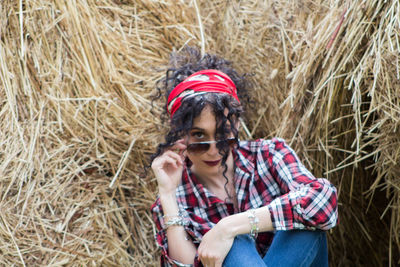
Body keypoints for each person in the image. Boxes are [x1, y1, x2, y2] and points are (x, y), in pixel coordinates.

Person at [150, 47, 338, 267]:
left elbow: (323, 201)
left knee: (306, 227)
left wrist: (229, 227)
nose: (213, 150)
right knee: (236, 246)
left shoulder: (268, 155)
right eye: (199, 136)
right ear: (179, 133)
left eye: (223, 134)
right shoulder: (175, 194)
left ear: (237, 124)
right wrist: (168, 194)